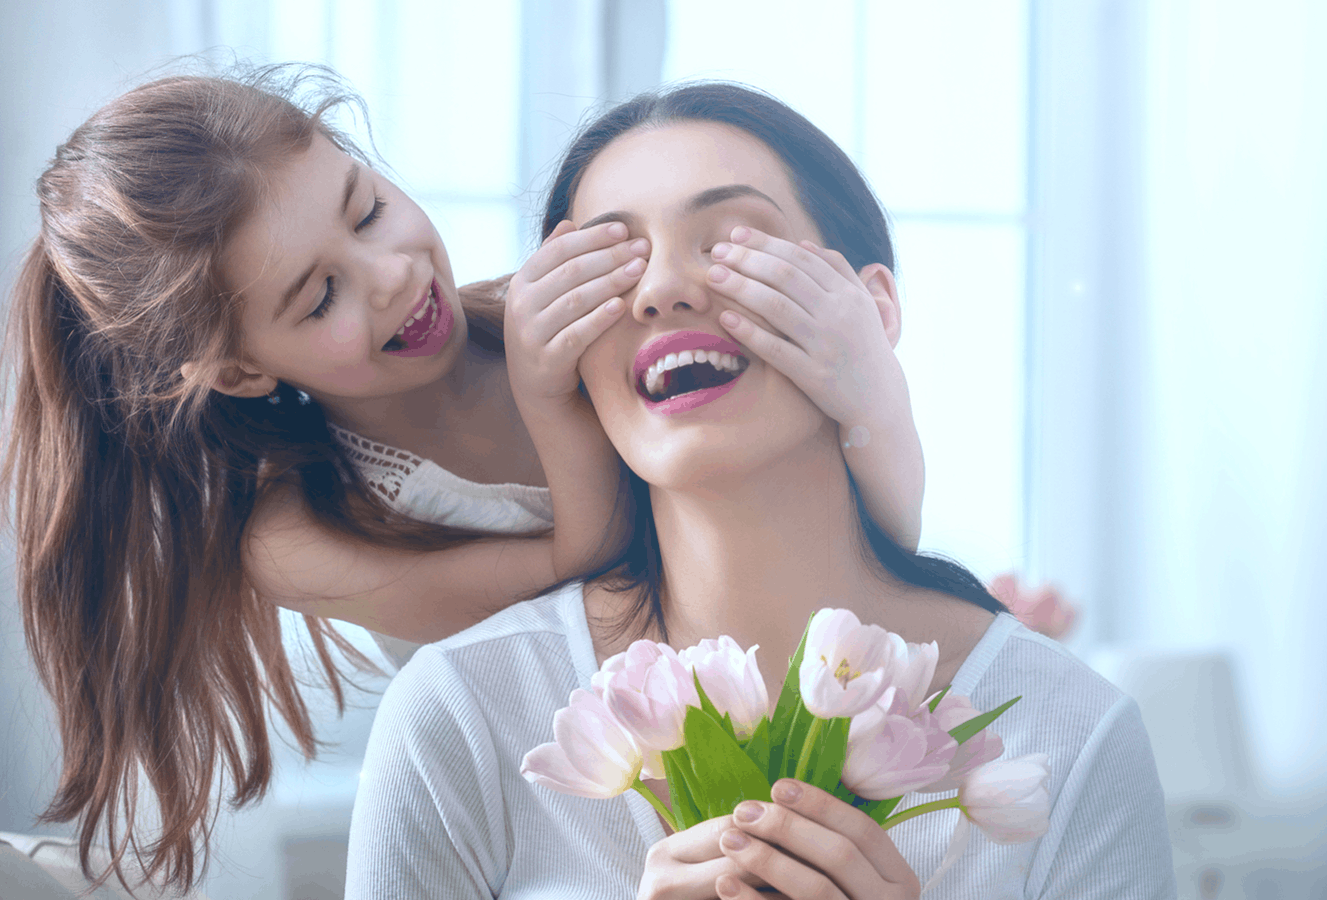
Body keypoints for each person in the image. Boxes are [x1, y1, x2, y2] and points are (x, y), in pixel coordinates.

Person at [1, 65, 925, 894]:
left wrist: (871, 388)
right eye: (318, 297)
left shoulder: (541, 314)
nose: (392, 274)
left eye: (366, 210)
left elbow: (871, 534)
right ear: (242, 369)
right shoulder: (296, 535)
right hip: (561, 793)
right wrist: (549, 400)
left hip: (752, 701)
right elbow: (590, 580)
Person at [344, 82, 1176, 900]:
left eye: (733, 242)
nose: (661, 289)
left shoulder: (1070, 735)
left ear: (871, 308)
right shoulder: (463, 713)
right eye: (610, 263)